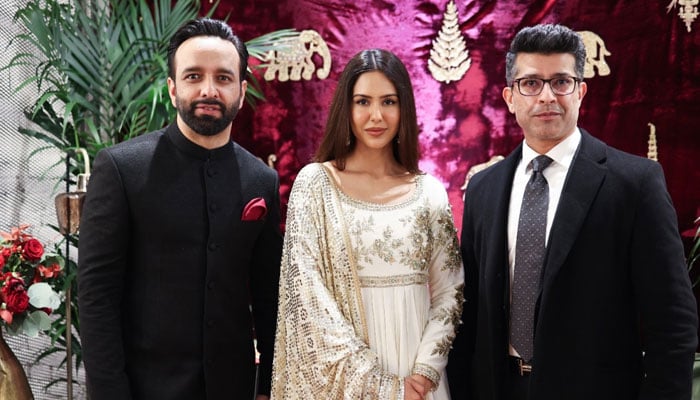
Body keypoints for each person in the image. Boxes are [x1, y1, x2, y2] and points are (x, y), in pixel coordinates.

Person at [447, 23, 698, 400]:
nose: (547, 96)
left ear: (580, 91)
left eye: (561, 82)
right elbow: (468, 316)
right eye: (531, 83)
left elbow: (673, 323)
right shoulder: (484, 188)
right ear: (510, 97)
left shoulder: (634, 183)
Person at [77, 18, 283, 400]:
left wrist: (268, 387)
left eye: (223, 78)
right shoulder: (122, 169)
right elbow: (96, 297)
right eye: (193, 76)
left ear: (241, 91)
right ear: (173, 89)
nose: (208, 90)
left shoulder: (261, 181)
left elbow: (269, 295)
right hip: (145, 389)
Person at [270, 49, 464, 400]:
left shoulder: (429, 193)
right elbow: (308, 300)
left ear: (405, 108)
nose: (376, 116)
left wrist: (424, 373)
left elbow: (450, 291)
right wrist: (381, 387)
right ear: (346, 108)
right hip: (344, 381)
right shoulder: (316, 185)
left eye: (389, 101)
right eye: (363, 102)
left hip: (418, 381)